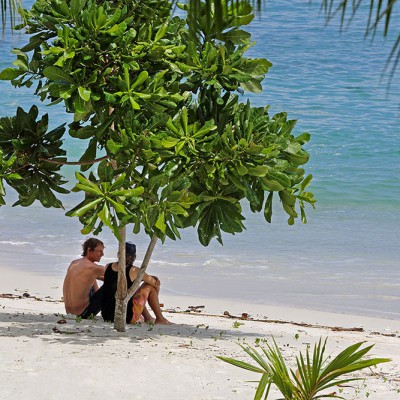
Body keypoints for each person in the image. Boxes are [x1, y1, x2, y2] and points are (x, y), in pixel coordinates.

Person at [101, 241, 172, 325]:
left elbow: (116, 281)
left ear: (119, 254)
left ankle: (148, 318)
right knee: (148, 286)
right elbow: (155, 283)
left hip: (106, 315)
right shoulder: (134, 271)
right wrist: (156, 292)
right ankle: (160, 318)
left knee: (134, 289)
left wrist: (140, 280)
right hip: (125, 317)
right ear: (133, 257)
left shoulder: (108, 266)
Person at [63, 238, 106, 318]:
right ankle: (111, 314)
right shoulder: (95, 268)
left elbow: (91, 277)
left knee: (93, 278)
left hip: (69, 312)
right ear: (89, 250)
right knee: (112, 284)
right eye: (99, 251)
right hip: (83, 313)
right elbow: (117, 276)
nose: (102, 254)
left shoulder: (74, 263)